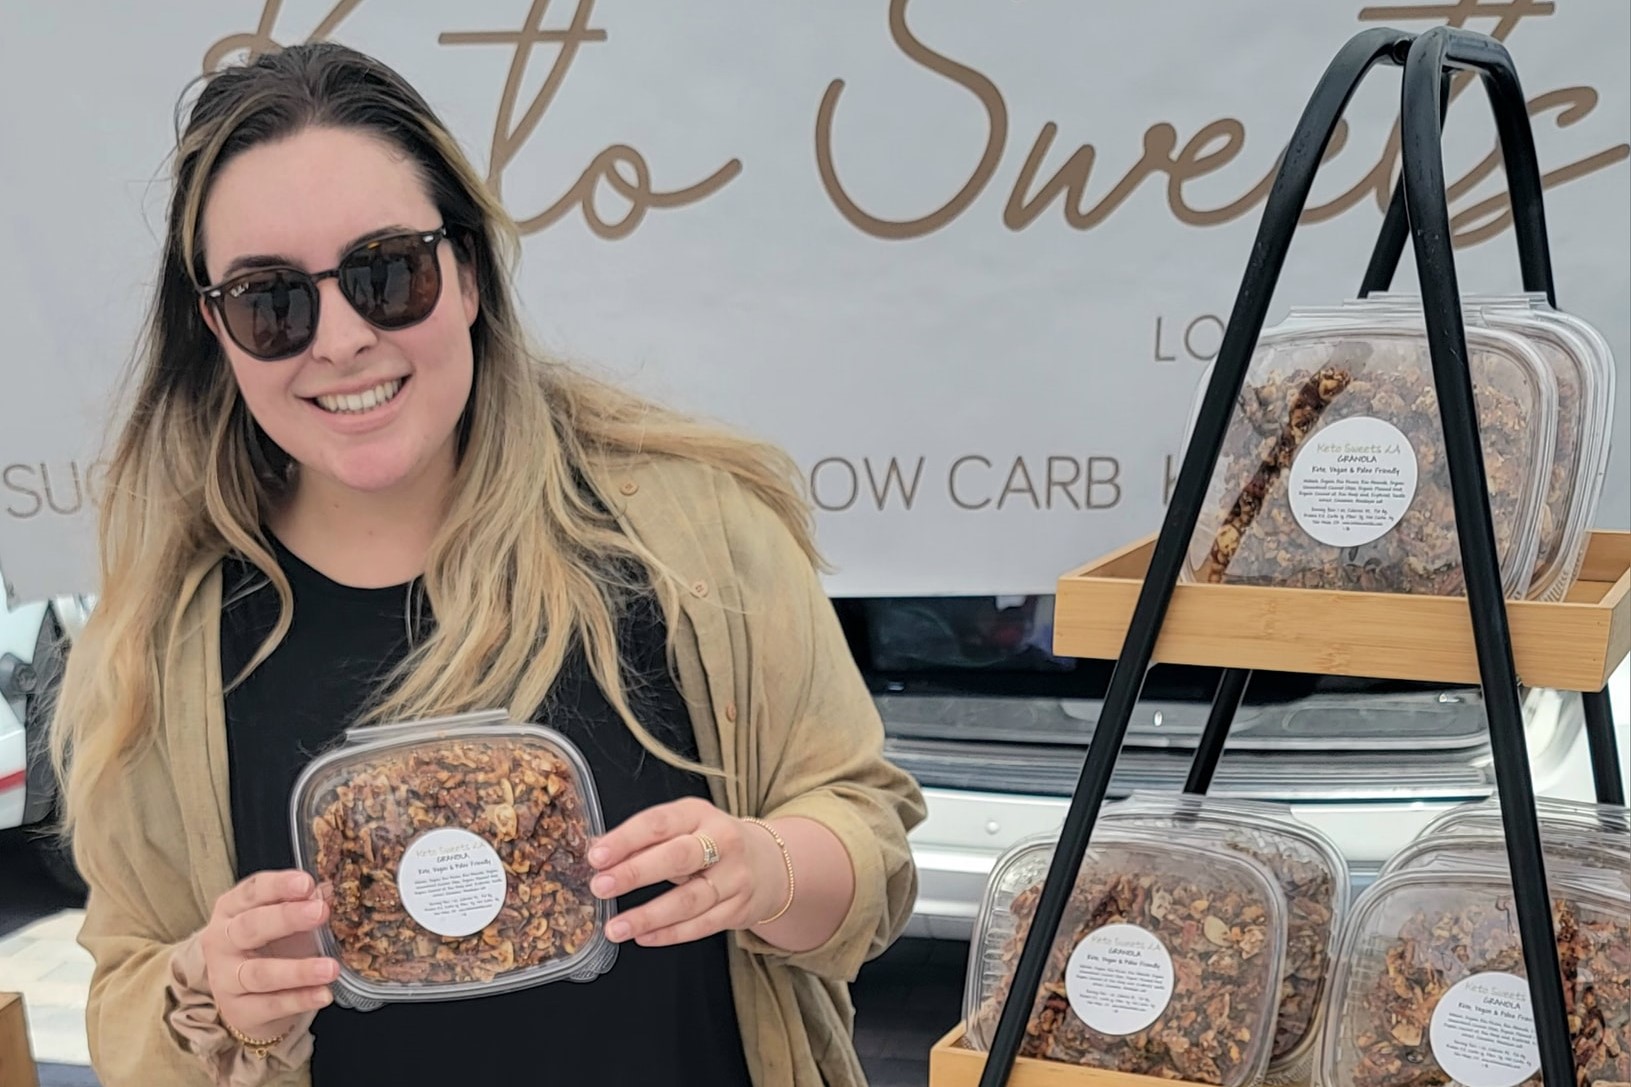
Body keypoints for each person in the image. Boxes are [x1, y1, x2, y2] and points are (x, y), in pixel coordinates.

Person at [49, 41, 925, 1087]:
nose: (337, 340)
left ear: (465, 273)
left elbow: (868, 852)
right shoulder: (168, 640)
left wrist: (763, 867)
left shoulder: (689, 534)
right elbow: (126, 998)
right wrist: (211, 992)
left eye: (385, 273)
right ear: (218, 332)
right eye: (271, 301)